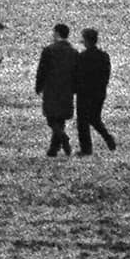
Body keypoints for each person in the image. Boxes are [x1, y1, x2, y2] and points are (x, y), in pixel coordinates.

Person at [34, 22, 79, 157]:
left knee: (51, 117)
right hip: (67, 88)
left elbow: (42, 70)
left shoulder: (49, 50)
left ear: (57, 33)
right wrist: (75, 88)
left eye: (54, 32)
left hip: (51, 87)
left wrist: (38, 86)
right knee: (61, 119)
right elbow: (77, 72)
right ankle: (53, 149)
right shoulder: (74, 52)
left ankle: (63, 138)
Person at [73, 27, 117, 157]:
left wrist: (74, 88)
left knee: (83, 122)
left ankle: (86, 149)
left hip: (84, 93)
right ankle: (108, 138)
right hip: (99, 92)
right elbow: (106, 74)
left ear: (86, 41)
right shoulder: (104, 56)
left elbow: (77, 75)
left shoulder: (82, 57)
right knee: (94, 118)